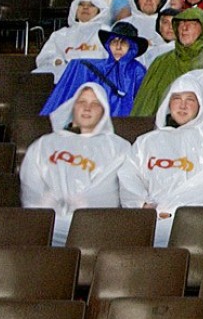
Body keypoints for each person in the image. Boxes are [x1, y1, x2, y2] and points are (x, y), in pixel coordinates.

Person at [19, 83, 135, 242]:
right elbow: (31, 183)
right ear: (72, 107)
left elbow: (111, 188)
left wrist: (83, 203)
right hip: (44, 224)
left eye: (95, 103)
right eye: (82, 102)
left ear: (104, 110)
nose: (87, 108)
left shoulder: (118, 147)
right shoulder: (44, 144)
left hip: (92, 227)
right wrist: (46, 201)